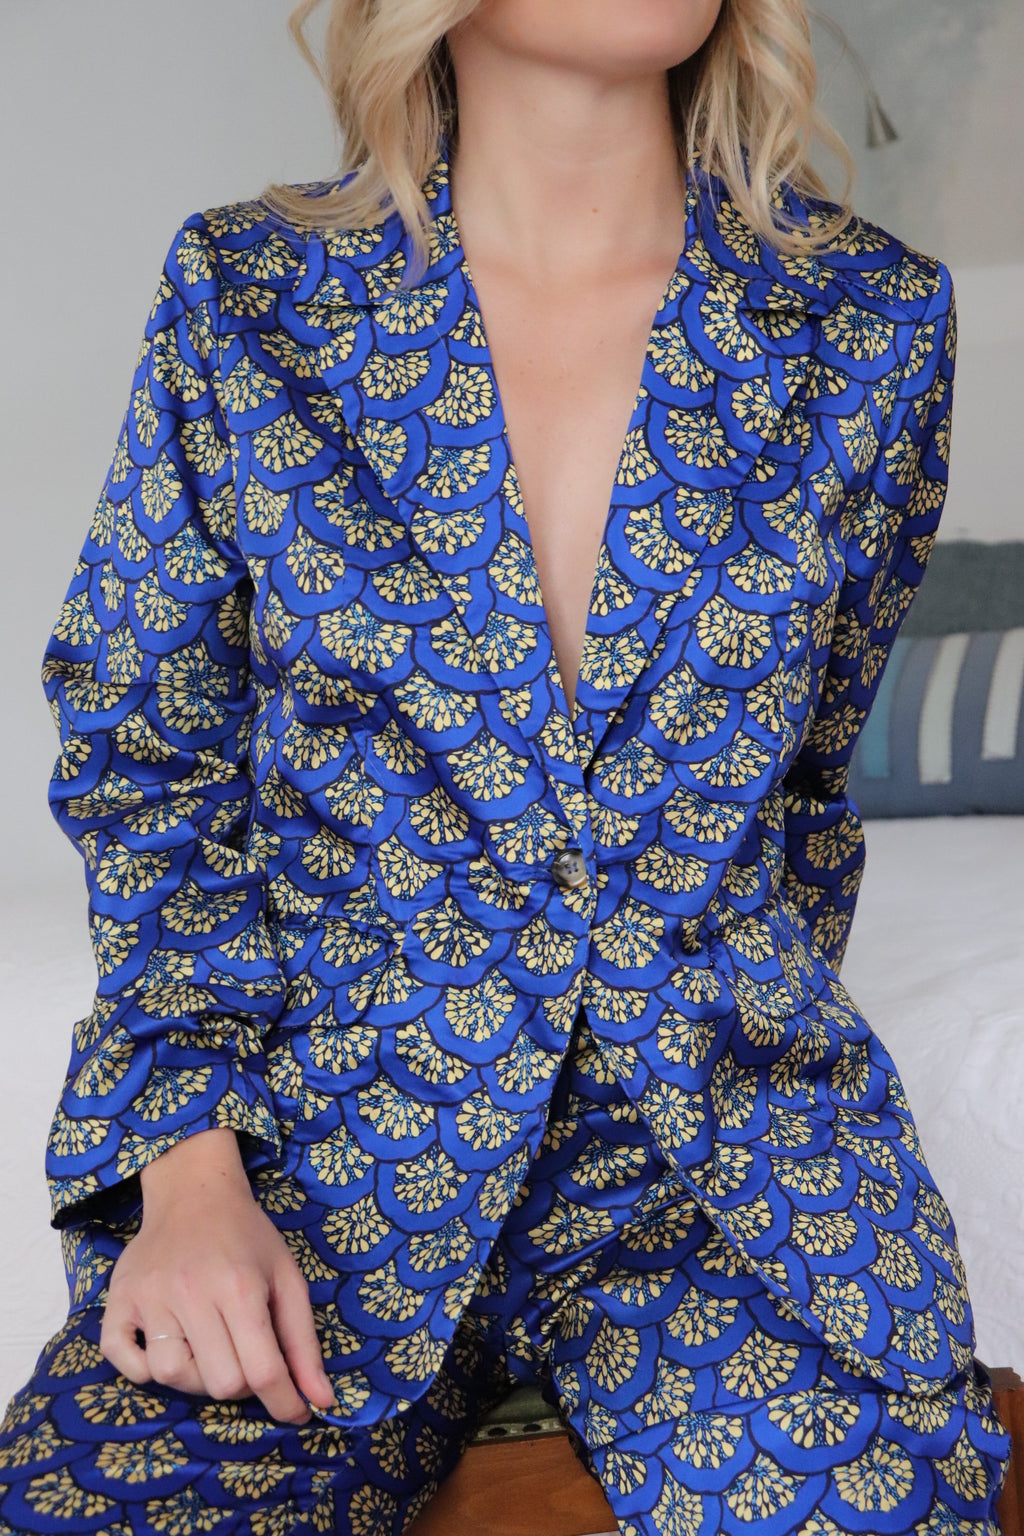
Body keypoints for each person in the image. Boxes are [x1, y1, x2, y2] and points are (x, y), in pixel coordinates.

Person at [0, 1, 1012, 1532]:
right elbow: (149, 764)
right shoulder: (248, 297)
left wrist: (733, 1037)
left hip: (731, 1185)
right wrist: (188, 1168)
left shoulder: (871, 323)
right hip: (316, 1159)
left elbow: (805, 792)